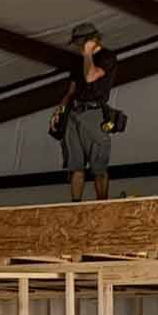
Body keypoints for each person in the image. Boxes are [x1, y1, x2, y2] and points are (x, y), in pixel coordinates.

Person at [51, 23, 118, 201]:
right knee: (75, 165)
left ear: (90, 40)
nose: (78, 47)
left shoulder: (107, 57)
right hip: (74, 112)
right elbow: (71, 91)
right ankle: (75, 205)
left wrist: (88, 53)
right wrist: (60, 111)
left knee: (99, 166)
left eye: (80, 42)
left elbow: (90, 76)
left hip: (94, 112)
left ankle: (102, 204)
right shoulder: (77, 61)